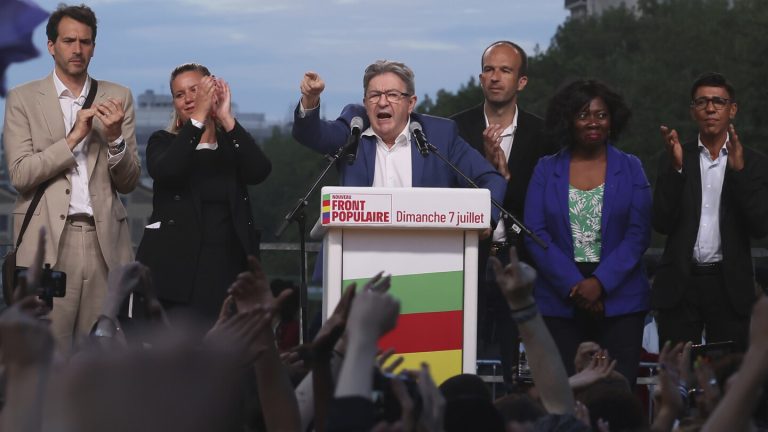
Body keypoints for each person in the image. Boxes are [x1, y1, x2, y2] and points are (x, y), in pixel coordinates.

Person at [2, 4, 140, 353]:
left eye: (86, 41)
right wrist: (73, 138)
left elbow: (129, 182)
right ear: (52, 46)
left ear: (94, 46)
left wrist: (114, 140)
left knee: (100, 359)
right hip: (46, 245)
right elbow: (20, 174)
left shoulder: (118, 96)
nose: (78, 49)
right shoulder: (22, 98)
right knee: (45, 355)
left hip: (103, 243)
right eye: (68, 41)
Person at [523, 79, 652, 385]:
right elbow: (535, 233)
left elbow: (638, 234)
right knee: (565, 396)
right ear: (568, 120)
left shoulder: (632, 168)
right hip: (559, 298)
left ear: (612, 119)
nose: (593, 122)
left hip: (621, 300)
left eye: (601, 115)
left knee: (617, 395)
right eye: (583, 115)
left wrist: (600, 283)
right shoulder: (545, 168)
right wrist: (575, 285)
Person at [451, 40, 559, 387]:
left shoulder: (545, 135)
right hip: (465, 263)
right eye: (489, 69)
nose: (495, 77)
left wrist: (504, 179)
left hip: (523, 263)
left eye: (505, 70)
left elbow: (547, 204)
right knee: (465, 365)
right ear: (480, 77)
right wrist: (485, 170)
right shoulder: (453, 129)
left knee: (519, 371)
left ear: (522, 81)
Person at [136, 63, 271, 324]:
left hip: (228, 270)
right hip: (177, 273)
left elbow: (260, 171)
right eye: (179, 94)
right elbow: (167, 169)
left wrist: (226, 118)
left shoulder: (231, 146)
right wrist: (197, 121)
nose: (187, 99)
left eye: (195, 90)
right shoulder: (162, 142)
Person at [292, 60, 506, 215]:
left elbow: (490, 179)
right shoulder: (354, 130)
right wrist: (310, 98)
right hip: (356, 258)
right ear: (366, 103)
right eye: (375, 95)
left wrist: (485, 219)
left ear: (410, 103)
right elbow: (311, 134)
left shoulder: (440, 135)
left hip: (426, 260)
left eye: (393, 95)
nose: (383, 102)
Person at [652, 72, 768, 352]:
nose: (711, 108)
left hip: (729, 287)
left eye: (719, 101)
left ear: (733, 109)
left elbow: (760, 227)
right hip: (680, 284)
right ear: (693, 111)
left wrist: (739, 174)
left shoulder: (754, 162)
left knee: (728, 375)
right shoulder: (675, 155)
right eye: (702, 102)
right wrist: (677, 170)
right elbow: (661, 222)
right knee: (678, 376)